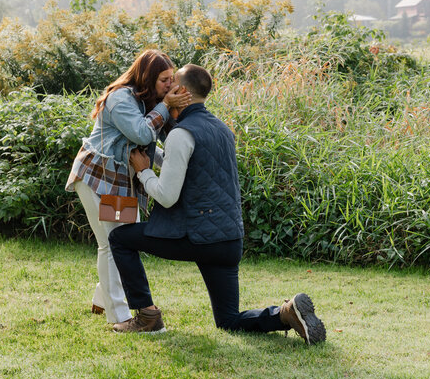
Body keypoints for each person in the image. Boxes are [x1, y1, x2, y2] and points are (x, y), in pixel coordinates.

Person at [108, 64, 326, 344]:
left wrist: (143, 171)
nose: (167, 90)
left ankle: (147, 317)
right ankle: (284, 314)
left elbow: (167, 195)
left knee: (120, 238)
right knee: (228, 320)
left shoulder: (181, 134)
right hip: (228, 239)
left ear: (181, 91)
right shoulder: (222, 129)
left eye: (172, 85)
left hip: (197, 237)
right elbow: (193, 169)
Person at [65, 49, 192, 325]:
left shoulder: (148, 102)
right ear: (147, 77)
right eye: (164, 80)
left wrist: (177, 162)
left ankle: (102, 299)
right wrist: (164, 105)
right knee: (110, 244)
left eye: (171, 79)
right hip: (98, 177)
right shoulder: (120, 98)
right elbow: (142, 134)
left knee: (122, 240)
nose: (169, 85)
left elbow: (151, 147)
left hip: (120, 182)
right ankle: (118, 315)